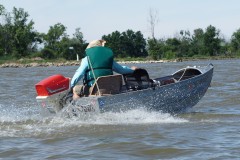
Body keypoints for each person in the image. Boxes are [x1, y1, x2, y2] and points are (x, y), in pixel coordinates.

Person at [71, 40, 137, 100]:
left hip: (95, 90)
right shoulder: (108, 59)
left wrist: (70, 86)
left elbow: (79, 74)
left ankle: (79, 108)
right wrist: (132, 70)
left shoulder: (87, 59)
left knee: (75, 89)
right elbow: (122, 70)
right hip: (111, 89)